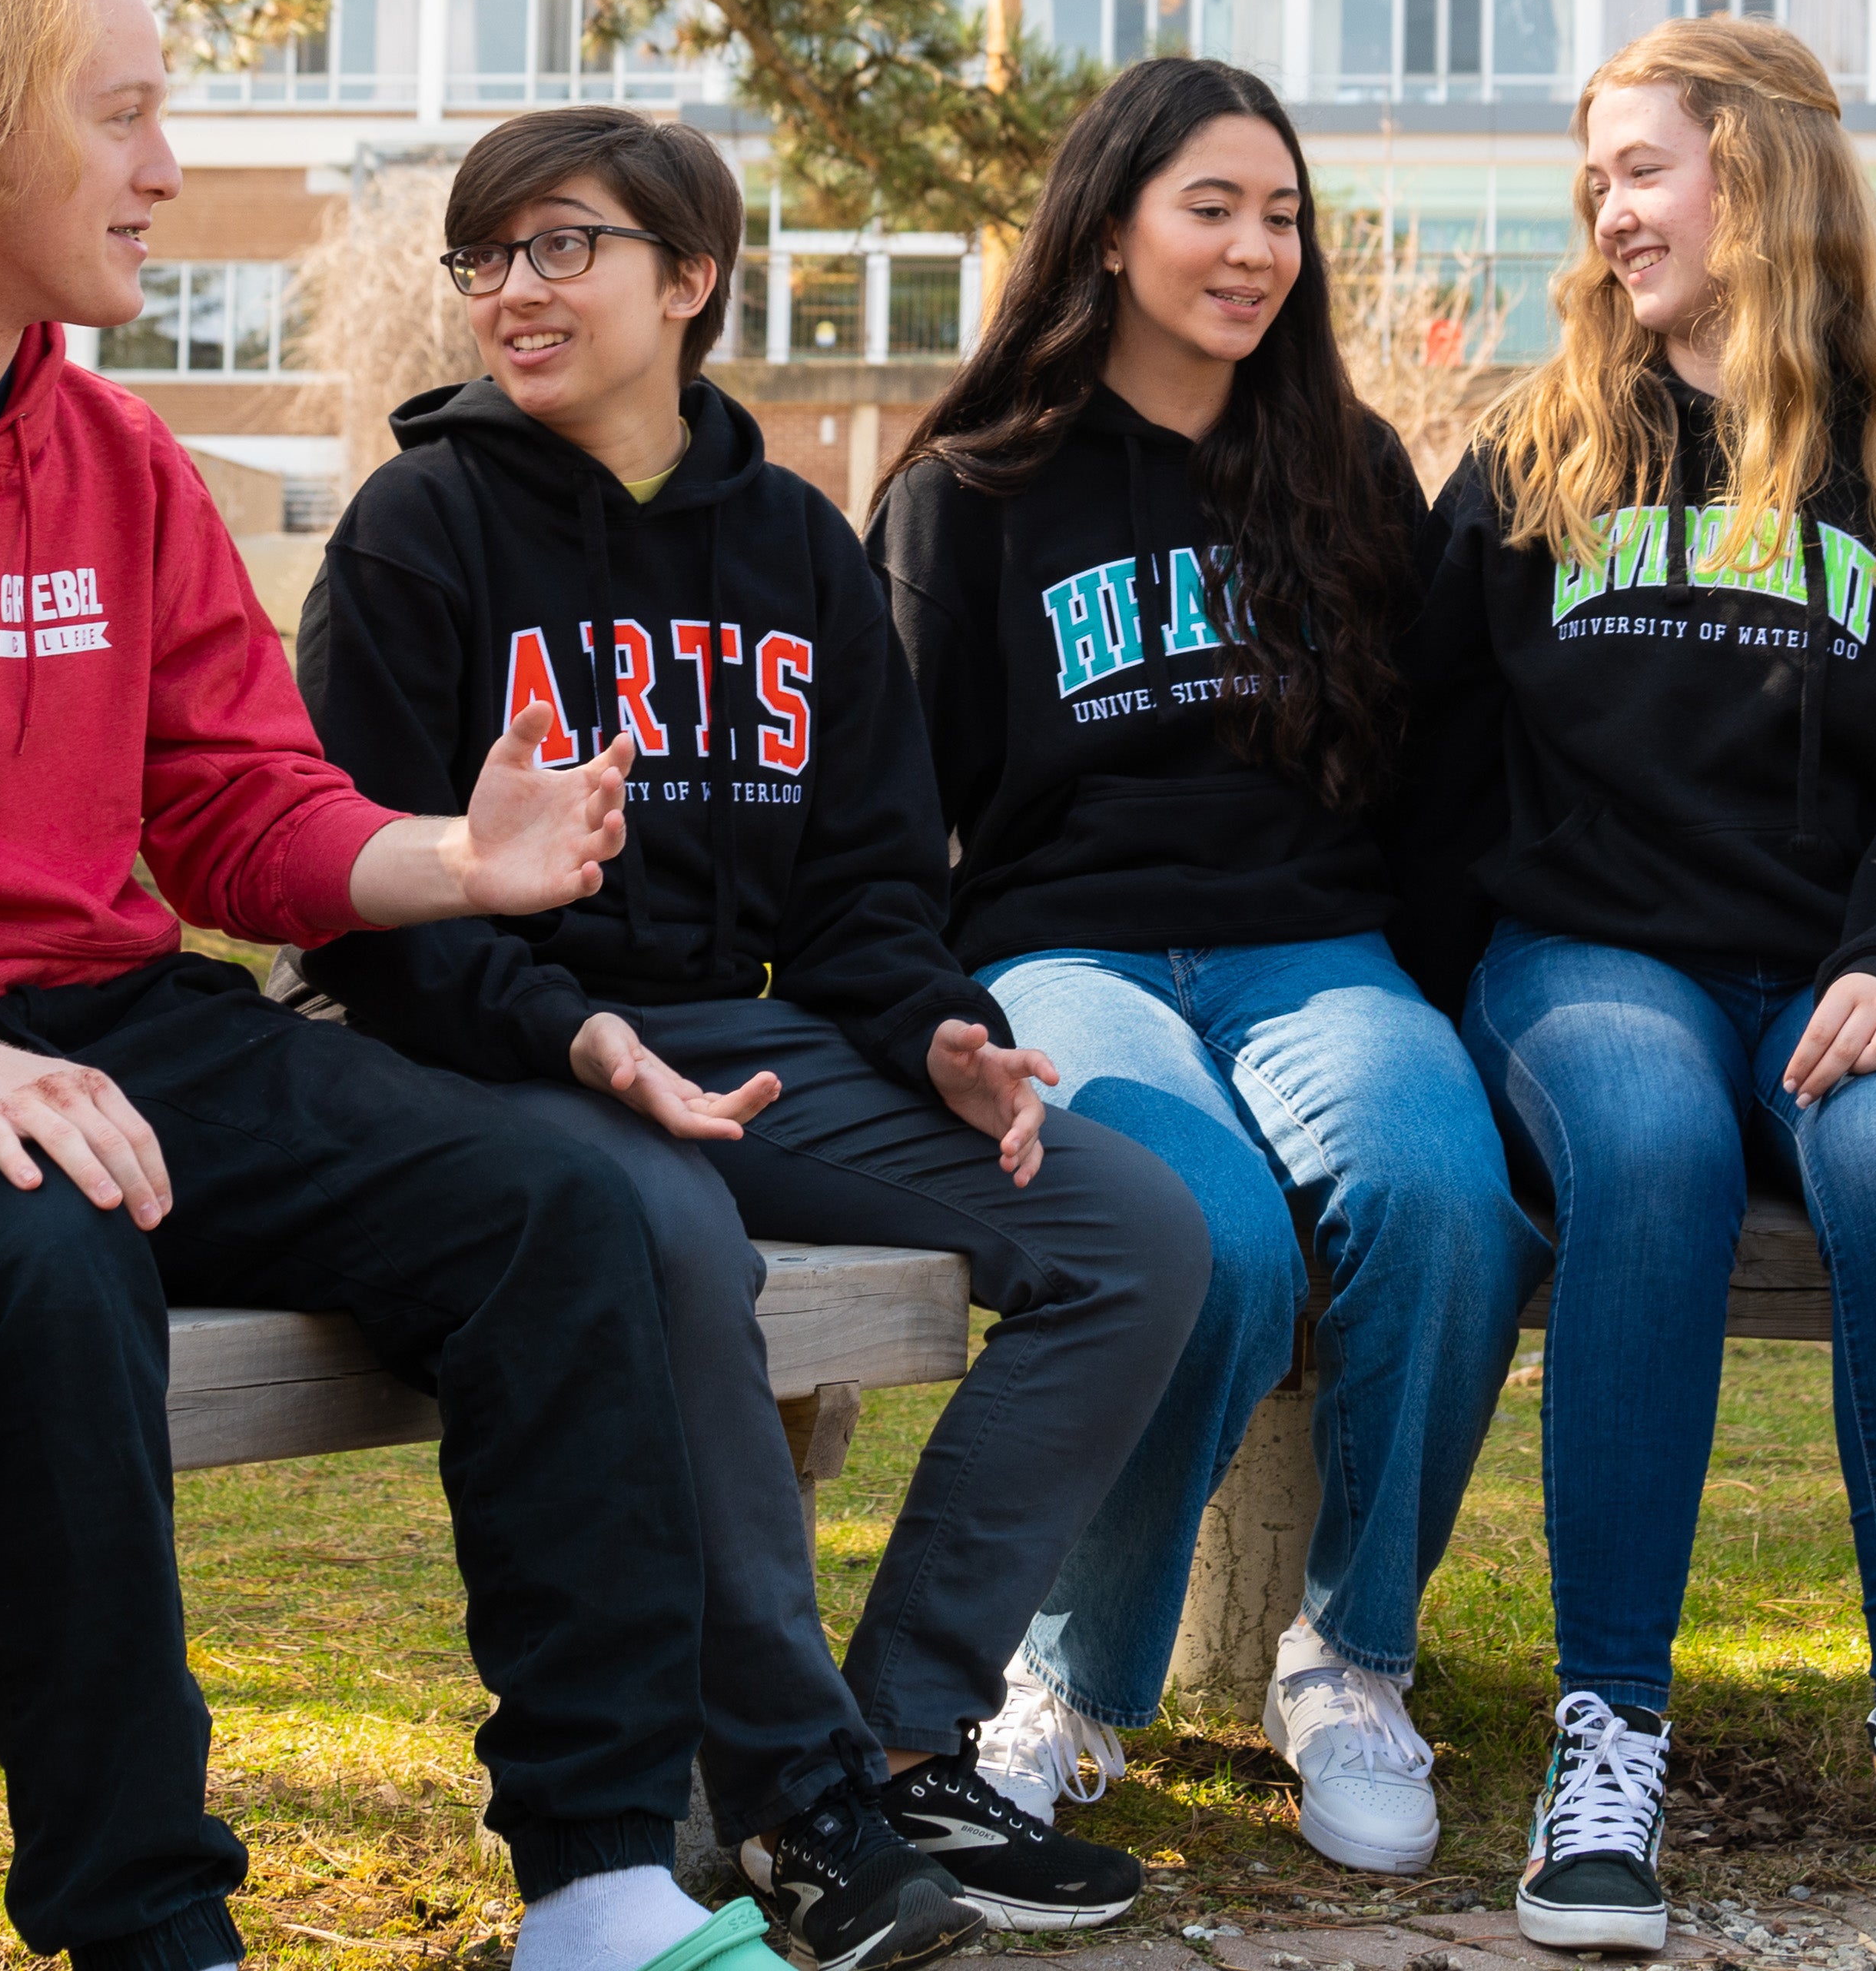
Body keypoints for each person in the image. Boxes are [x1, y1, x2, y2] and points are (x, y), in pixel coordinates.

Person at [0, 0, 783, 1971]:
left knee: (557, 1210)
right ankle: (145, 1923)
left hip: (116, 1012)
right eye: (120, 116)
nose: (168, 168)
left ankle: (599, 1877)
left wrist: (445, 863)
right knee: (53, 1265)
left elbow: (226, 802)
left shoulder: (116, 456)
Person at [292, 105, 1207, 1958]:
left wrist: (946, 1032)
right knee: (670, 1246)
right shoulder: (422, 529)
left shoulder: (791, 541)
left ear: (688, 279)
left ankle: (896, 1736)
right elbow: (350, 901)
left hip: (740, 1035)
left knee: (1135, 1232)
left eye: (564, 249)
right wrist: (570, 1035)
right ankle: (797, 1809)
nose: (514, 292)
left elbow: (869, 882)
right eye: (486, 258)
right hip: (488, 1046)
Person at [1394, 18, 1876, 1957]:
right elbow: (1438, 762)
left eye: (1642, 168)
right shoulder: (1541, 451)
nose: (1609, 212)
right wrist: (1451, 1010)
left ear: (1758, 178)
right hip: (1590, 955)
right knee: (1652, 1147)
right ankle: (1608, 1731)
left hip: (1860, 965)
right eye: (1596, 175)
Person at [866, 60, 1542, 1879]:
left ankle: (1349, 1661)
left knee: (1442, 1195)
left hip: (1312, 945)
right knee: (1214, 1242)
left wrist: (1431, 996)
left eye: (1282, 215)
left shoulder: (1343, 471)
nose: (1255, 250)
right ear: (1107, 227)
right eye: (1211, 208)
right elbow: (890, 810)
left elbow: (1416, 773)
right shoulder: (968, 490)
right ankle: (1068, 1682)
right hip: (1064, 947)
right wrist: (930, 1023)